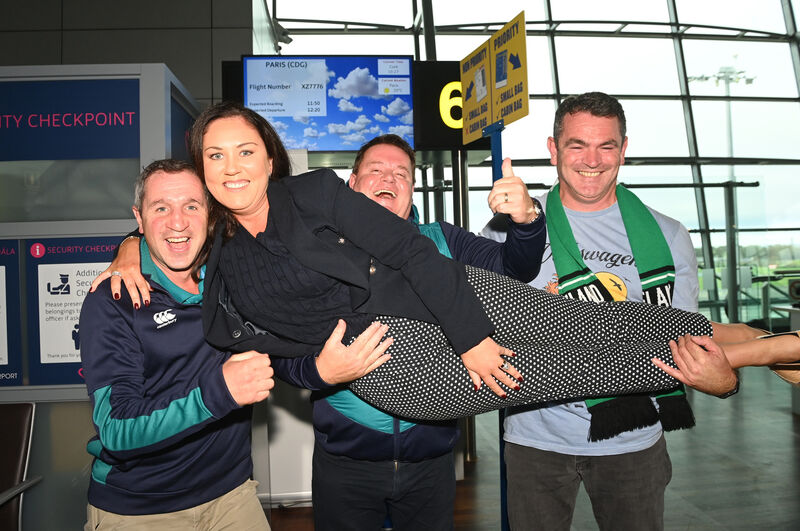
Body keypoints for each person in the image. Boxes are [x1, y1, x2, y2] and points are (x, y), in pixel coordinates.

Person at [95, 101, 798, 425]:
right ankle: (772, 349)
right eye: (214, 156)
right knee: (584, 369)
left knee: (612, 325)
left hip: (451, 297)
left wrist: (469, 332)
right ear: (199, 169)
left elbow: (407, 248)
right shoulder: (217, 263)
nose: (231, 167)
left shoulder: (311, 193)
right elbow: (271, 359)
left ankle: (758, 345)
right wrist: (324, 372)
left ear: (269, 156)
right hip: (394, 367)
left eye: (244, 150)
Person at [481, 91, 733, 530]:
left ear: (624, 149)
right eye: (577, 145)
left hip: (633, 441)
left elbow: (688, 337)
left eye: (607, 146)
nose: (592, 160)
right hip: (536, 438)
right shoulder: (509, 228)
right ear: (553, 148)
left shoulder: (669, 235)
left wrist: (727, 379)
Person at [269, 133, 545, 530]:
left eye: (401, 174)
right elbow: (280, 339)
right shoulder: (318, 249)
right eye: (376, 170)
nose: (389, 179)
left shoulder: (441, 240)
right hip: (346, 465)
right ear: (351, 184)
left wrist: (527, 219)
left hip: (430, 463)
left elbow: (514, 268)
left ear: (412, 190)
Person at [79, 160, 276, 530]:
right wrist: (219, 392)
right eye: (161, 208)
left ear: (209, 214)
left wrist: (323, 368)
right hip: (142, 507)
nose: (178, 221)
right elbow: (116, 431)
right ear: (139, 218)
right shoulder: (113, 299)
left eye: (191, 206)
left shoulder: (230, 275)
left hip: (232, 493)